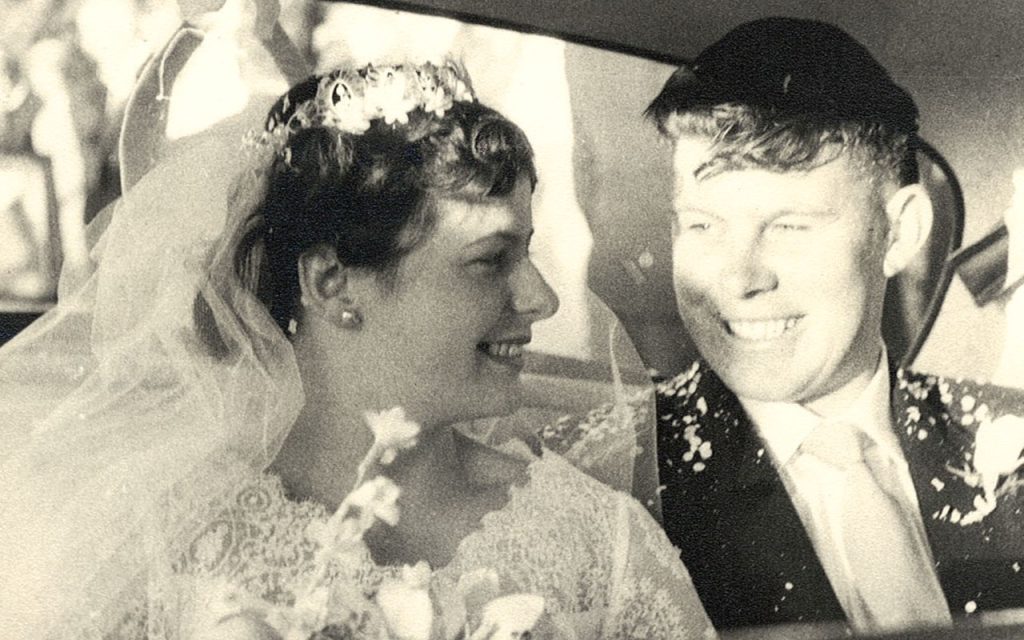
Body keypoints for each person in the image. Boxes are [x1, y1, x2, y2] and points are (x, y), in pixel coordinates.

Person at [0, 56, 715, 640]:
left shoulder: (596, 544)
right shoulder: (163, 545)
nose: (541, 298)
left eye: (526, 252)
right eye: (489, 259)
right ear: (332, 282)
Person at [643, 16, 1024, 635]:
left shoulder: (1015, 437)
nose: (739, 280)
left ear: (898, 233)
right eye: (703, 226)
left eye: (790, 226)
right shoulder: (607, 474)